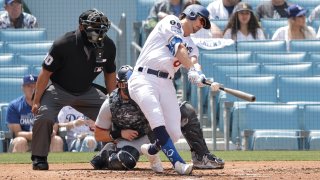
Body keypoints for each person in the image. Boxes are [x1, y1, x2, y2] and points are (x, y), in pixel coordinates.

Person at [128, 4, 221, 175]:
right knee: (156, 116)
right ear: (191, 14)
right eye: (201, 20)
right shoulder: (171, 21)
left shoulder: (192, 44)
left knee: (174, 132)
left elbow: (193, 60)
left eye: (205, 23)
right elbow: (178, 47)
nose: (201, 25)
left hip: (165, 82)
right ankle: (178, 162)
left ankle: (151, 150)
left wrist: (200, 75)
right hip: (143, 78)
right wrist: (191, 69)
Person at [90, 65, 224, 172]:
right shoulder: (110, 104)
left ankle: (201, 156)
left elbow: (170, 108)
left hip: (153, 134)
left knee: (185, 111)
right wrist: (119, 134)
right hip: (129, 140)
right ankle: (106, 154)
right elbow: (98, 134)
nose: (132, 88)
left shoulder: (145, 92)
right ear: (120, 85)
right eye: (128, 84)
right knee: (124, 161)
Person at [30, 9, 117, 170]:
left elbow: (110, 75)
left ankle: (109, 155)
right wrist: (36, 101)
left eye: (102, 28)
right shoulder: (63, 43)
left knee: (114, 114)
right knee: (44, 116)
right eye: (95, 27)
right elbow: (45, 73)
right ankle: (39, 157)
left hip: (86, 91)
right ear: (82, 27)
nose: (100, 32)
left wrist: (114, 101)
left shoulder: (108, 45)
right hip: (58, 89)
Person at [6, 75, 63, 153]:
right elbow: (17, 133)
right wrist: (35, 135)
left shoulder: (48, 104)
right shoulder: (14, 106)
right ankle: (20, 165)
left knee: (57, 140)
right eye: (28, 86)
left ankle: (58, 165)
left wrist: (49, 133)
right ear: (22, 88)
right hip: (26, 140)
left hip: (44, 140)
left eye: (35, 85)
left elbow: (54, 127)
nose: (32, 88)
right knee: (20, 141)